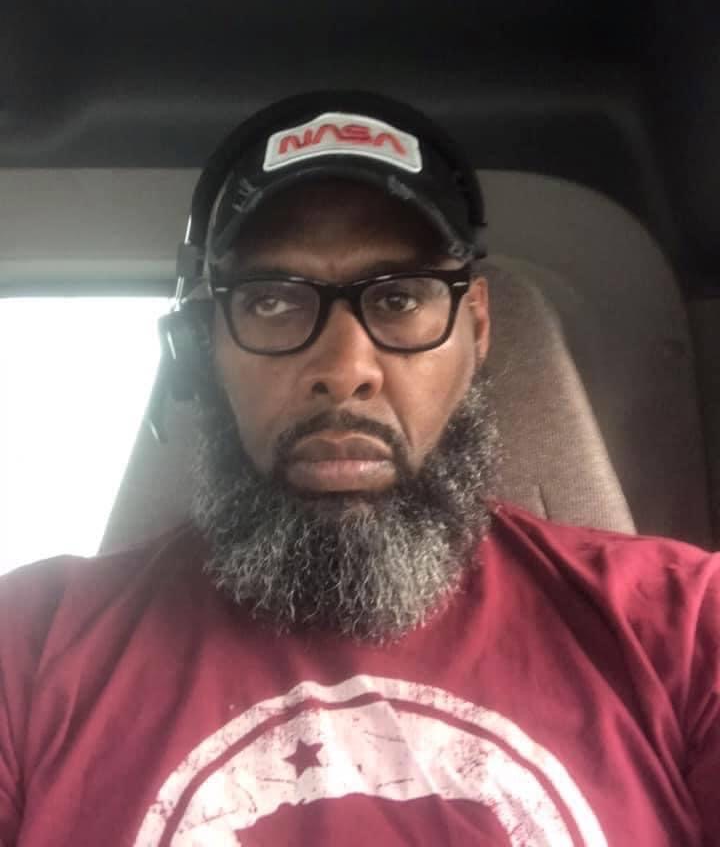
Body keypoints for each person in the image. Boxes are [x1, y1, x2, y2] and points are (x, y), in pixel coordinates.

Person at [0, 92, 718, 846]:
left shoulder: (684, 628)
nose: (345, 371)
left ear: (475, 326)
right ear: (206, 347)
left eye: (399, 299)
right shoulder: (29, 650)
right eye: (272, 301)